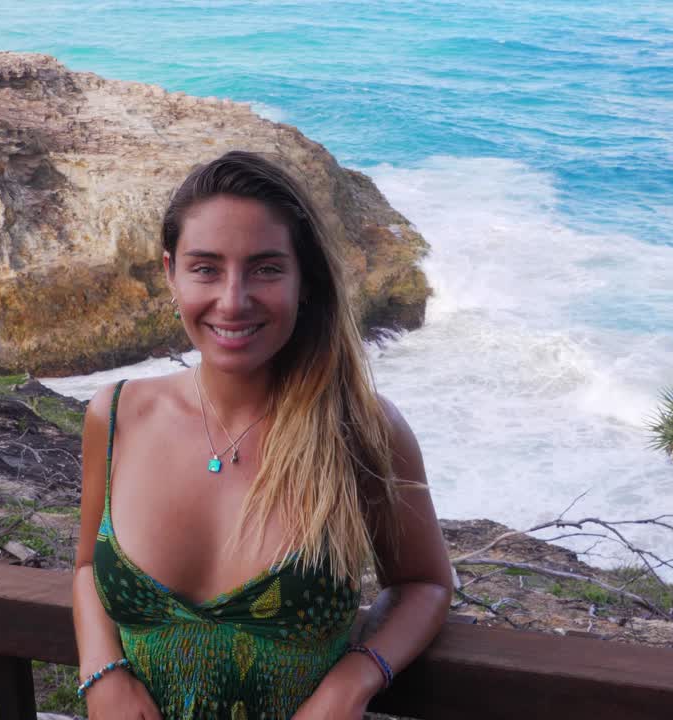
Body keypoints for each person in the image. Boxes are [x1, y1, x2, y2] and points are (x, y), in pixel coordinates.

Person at [72, 151, 452, 719]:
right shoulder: (117, 414)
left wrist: (350, 684)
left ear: (305, 281)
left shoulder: (361, 431)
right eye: (206, 268)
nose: (233, 299)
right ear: (170, 272)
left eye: (266, 268)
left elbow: (424, 583)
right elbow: (84, 568)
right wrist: (103, 673)